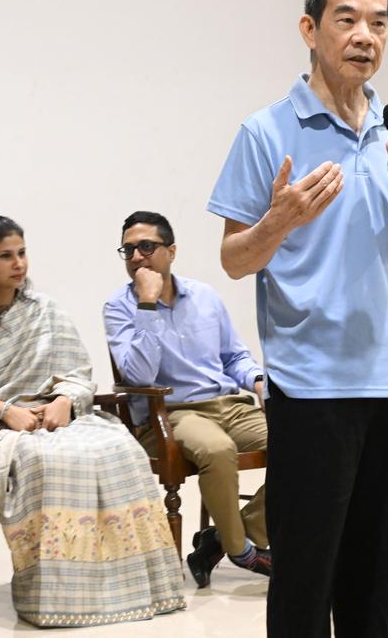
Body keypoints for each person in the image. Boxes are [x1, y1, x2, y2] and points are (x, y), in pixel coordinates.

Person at [207, 0, 388, 633]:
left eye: (379, 22)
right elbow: (233, 258)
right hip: (311, 388)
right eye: (348, 19)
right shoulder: (266, 132)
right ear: (310, 28)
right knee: (305, 584)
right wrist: (277, 221)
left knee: (372, 584)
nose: (366, 36)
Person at [0, 215, 184, 627]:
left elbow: (78, 372)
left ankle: (123, 584)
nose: (18, 264)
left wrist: (64, 400)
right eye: (6, 256)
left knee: (117, 446)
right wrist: (4, 411)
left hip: (45, 418)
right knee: (41, 460)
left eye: (22, 253)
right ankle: (58, 593)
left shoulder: (44, 310)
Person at [103, 211, 270, 588]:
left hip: (228, 404)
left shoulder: (205, 296)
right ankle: (244, 552)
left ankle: (225, 538)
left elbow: (234, 357)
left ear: (171, 251)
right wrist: (147, 305)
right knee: (217, 449)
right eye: (128, 250)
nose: (136, 257)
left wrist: (258, 382)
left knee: (302, 443)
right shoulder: (119, 307)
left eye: (146, 247)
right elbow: (140, 377)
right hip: (172, 413)